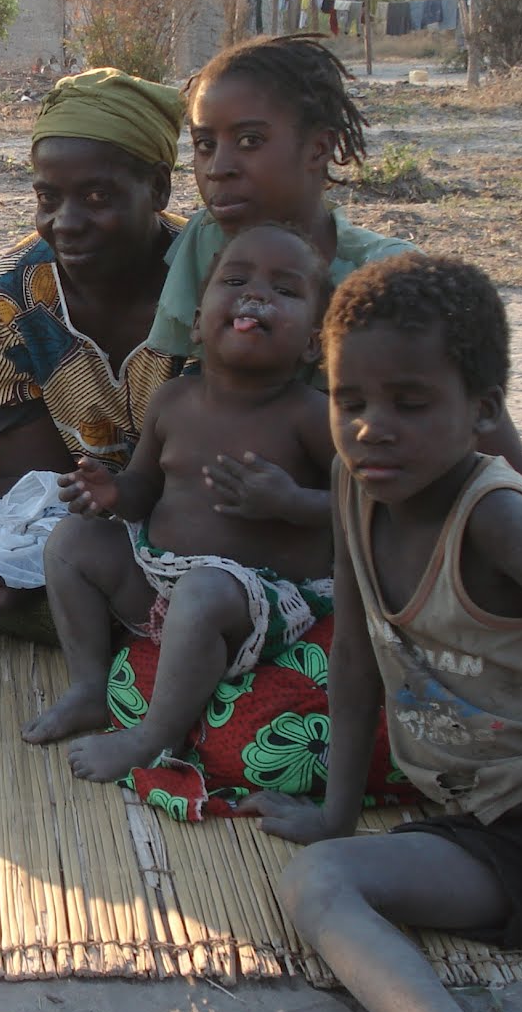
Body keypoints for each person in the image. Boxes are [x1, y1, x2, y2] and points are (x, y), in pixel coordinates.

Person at [241, 255, 522, 1012]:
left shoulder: (496, 519)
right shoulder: (353, 488)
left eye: (410, 404)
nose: (371, 428)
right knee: (320, 878)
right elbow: (354, 656)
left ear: (483, 409)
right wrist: (335, 815)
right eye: (349, 401)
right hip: (494, 831)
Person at [149, 33, 522, 507]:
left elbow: (486, 446)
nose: (218, 167)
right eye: (203, 144)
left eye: (249, 141)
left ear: (318, 148)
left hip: (375, 513)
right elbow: (188, 386)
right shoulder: (206, 240)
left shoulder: (388, 274)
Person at [39, 223, 335, 782]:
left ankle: (153, 736)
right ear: (197, 323)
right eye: (236, 281)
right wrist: (112, 492)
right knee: (70, 541)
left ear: (313, 344)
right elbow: (143, 488)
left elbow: (361, 508)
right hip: (163, 579)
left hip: (260, 601)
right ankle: (89, 686)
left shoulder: (310, 415)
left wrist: (292, 501)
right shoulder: (172, 399)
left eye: (284, 290)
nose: (256, 296)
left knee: (203, 590)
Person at [0, 67, 191, 637]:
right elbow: (34, 486)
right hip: (86, 521)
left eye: (97, 196)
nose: (67, 223)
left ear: (158, 189)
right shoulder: (8, 301)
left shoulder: (219, 291)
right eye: (48, 197)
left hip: (211, 522)